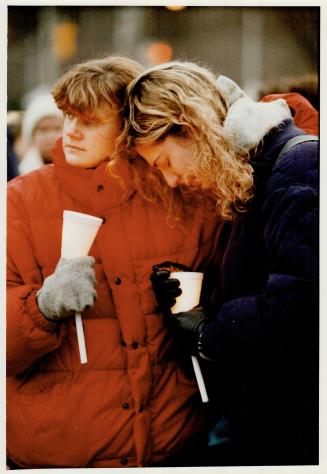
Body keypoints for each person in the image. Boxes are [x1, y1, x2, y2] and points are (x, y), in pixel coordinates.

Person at [6, 56, 224, 468]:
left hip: (172, 444)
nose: (71, 131)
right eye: (68, 116)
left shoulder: (184, 197)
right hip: (60, 455)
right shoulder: (18, 202)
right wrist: (41, 308)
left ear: (129, 125)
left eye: (88, 120)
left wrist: (200, 311)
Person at [113, 61, 319, 465]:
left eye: (166, 163)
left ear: (190, 126)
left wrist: (212, 332)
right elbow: (264, 275)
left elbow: (301, 300)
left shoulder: (298, 166)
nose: (170, 180)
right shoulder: (253, 172)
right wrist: (195, 298)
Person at [18, 92, 63, 174]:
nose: (50, 136)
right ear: (32, 136)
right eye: (43, 129)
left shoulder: (80, 170)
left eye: (57, 129)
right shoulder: (22, 173)